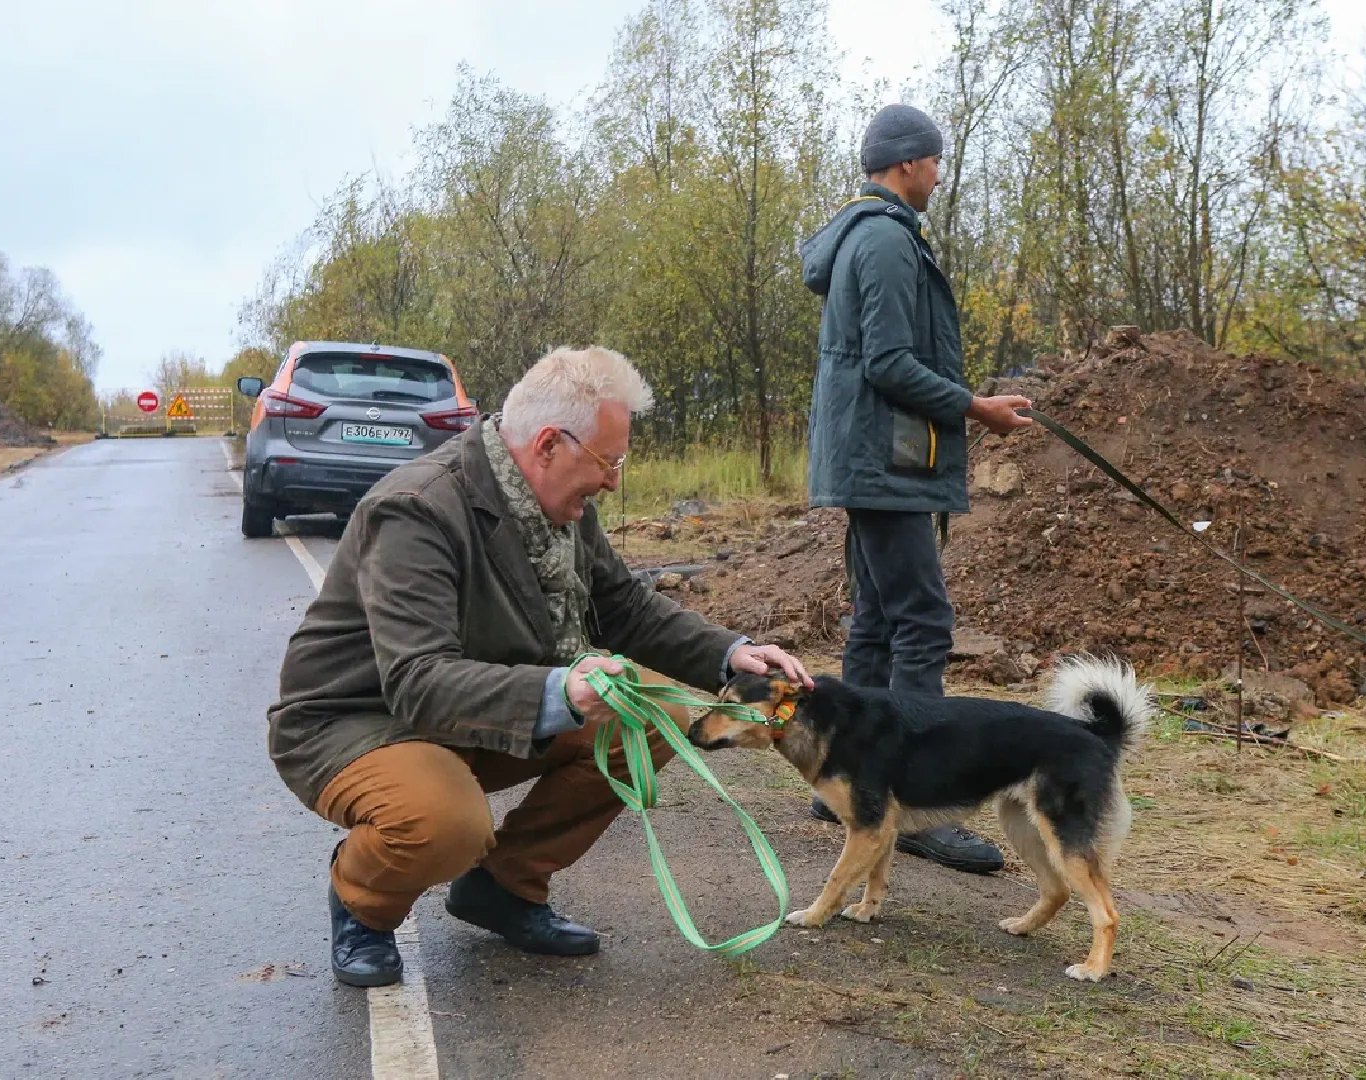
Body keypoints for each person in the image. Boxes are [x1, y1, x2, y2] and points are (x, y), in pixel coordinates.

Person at [267, 346, 811, 987]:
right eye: (609, 462)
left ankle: (502, 887)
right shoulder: (417, 510)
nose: (613, 480)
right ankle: (364, 897)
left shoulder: (556, 504)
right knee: (444, 824)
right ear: (549, 443)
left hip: (475, 707)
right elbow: (416, 680)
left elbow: (623, 605)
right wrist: (565, 690)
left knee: (656, 713)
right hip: (360, 719)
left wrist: (730, 653)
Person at [798, 103, 1033, 873]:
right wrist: (978, 408)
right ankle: (917, 810)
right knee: (922, 622)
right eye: (934, 160)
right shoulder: (886, 243)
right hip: (888, 463)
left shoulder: (865, 235)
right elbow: (890, 364)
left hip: (874, 459)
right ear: (906, 164)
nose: (940, 173)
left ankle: (841, 774)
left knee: (874, 620)